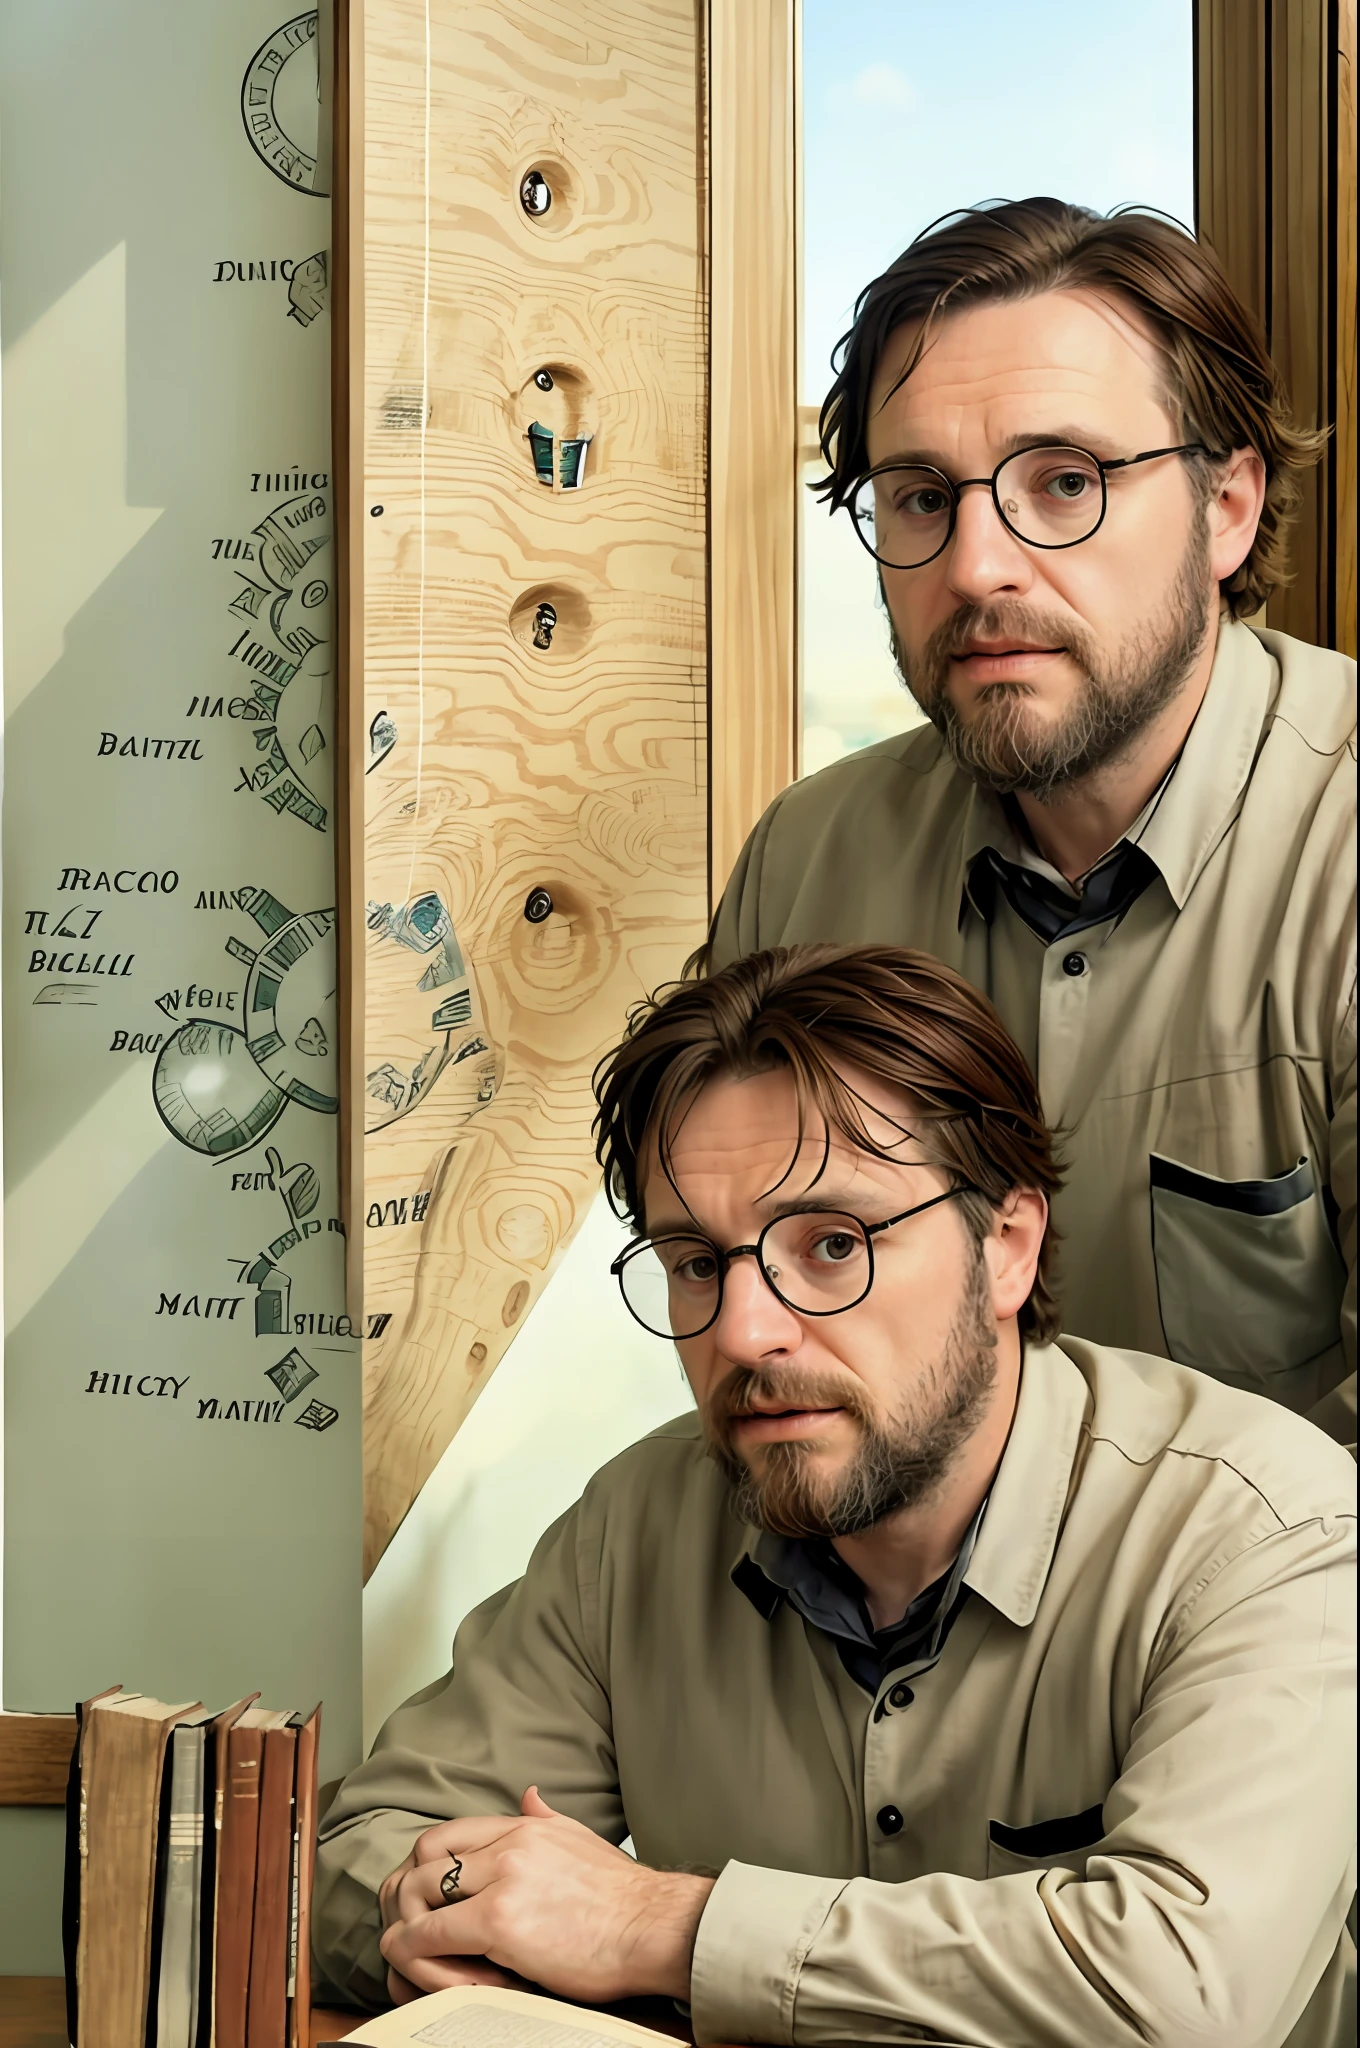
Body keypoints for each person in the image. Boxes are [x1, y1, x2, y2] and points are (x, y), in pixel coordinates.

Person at [314, 946, 1356, 2047]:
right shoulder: (641, 1522)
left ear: (1004, 1244)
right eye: (696, 1260)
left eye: (830, 1244)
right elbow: (365, 1848)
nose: (742, 1330)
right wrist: (465, 1908)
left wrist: (660, 1924)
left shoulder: (1269, 1528)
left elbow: (1185, 1991)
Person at [705, 199, 1356, 1445]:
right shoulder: (804, 863)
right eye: (917, 497)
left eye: (1063, 483)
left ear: (1226, 507)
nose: (976, 565)